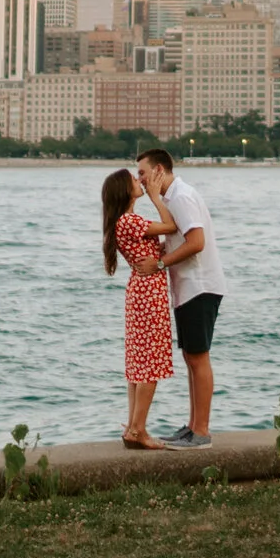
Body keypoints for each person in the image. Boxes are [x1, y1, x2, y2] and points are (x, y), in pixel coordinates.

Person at [138, 147, 224, 449]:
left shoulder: (182, 196)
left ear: (160, 170)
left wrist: (161, 263)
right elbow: (182, 238)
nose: (141, 181)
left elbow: (197, 242)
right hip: (188, 288)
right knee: (191, 357)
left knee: (198, 358)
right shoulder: (173, 198)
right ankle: (192, 426)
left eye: (143, 174)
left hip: (199, 286)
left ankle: (201, 431)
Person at [101, 167, 179, 449]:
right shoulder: (130, 221)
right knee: (150, 364)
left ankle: (134, 427)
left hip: (141, 290)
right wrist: (157, 198)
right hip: (148, 293)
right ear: (125, 190)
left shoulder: (123, 222)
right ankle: (138, 430)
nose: (140, 181)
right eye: (134, 180)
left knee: (139, 364)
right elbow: (171, 226)